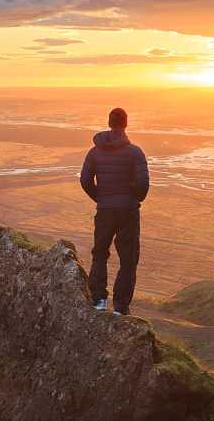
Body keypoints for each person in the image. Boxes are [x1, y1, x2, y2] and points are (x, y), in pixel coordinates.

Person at [80, 107, 149, 316]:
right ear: (125, 124)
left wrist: (101, 198)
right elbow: (143, 183)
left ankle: (98, 300)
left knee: (99, 254)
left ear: (109, 123)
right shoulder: (135, 152)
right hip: (128, 211)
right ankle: (120, 308)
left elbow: (85, 180)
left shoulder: (94, 152)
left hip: (105, 211)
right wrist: (134, 199)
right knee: (128, 259)